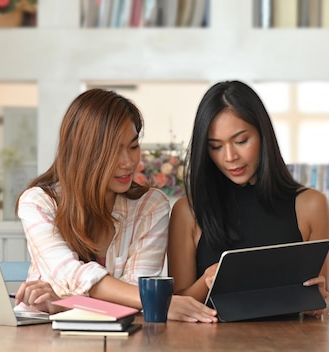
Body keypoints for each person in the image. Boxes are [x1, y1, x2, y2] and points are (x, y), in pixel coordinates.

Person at [13, 88, 217, 322]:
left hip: (123, 338)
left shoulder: (150, 206)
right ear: (83, 153)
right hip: (43, 338)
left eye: (133, 146)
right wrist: (153, 300)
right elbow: (72, 274)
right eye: (112, 151)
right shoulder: (39, 203)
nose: (128, 162)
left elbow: (134, 295)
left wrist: (62, 303)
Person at [168, 80, 329, 321]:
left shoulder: (312, 205)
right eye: (215, 147)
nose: (230, 157)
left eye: (241, 141)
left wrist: (320, 302)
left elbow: (322, 301)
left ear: (263, 134)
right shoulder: (188, 211)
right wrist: (207, 280)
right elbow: (178, 306)